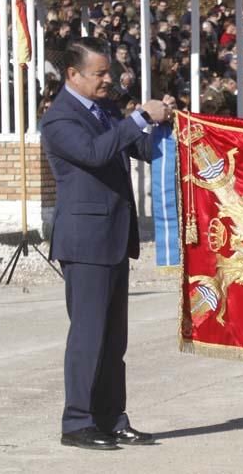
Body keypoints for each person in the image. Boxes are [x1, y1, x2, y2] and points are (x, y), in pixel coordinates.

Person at [40, 37, 174, 450]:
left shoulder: (107, 110)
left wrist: (163, 123)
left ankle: (112, 417)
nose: (107, 80)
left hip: (115, 236)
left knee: (114, 339)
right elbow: (96, 153)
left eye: (108, 72)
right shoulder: (59, 119)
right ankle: (77, 422)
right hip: (84, 240)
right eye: (99, 73)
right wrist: (137, 120)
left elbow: (142, 149)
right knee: (88, 334)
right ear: (73, 75)